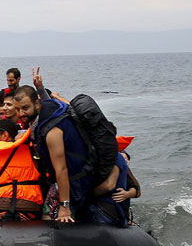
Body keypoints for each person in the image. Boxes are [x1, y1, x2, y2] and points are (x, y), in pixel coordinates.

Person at [12, 85, 119, 224]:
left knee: (49, 220)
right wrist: (40, 87)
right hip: (78, 175)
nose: (21, 114)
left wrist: (64, 206)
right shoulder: (51, 108)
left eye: (25, 108)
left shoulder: (51, 131)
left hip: (74, 183)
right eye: (18, 109)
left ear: (37, 103)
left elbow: (61, 170)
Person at [0, 119, 44, 221]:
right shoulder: (31, 150)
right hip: (30, 204)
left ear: (5, 135)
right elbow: (42, 178)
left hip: (0, 204)